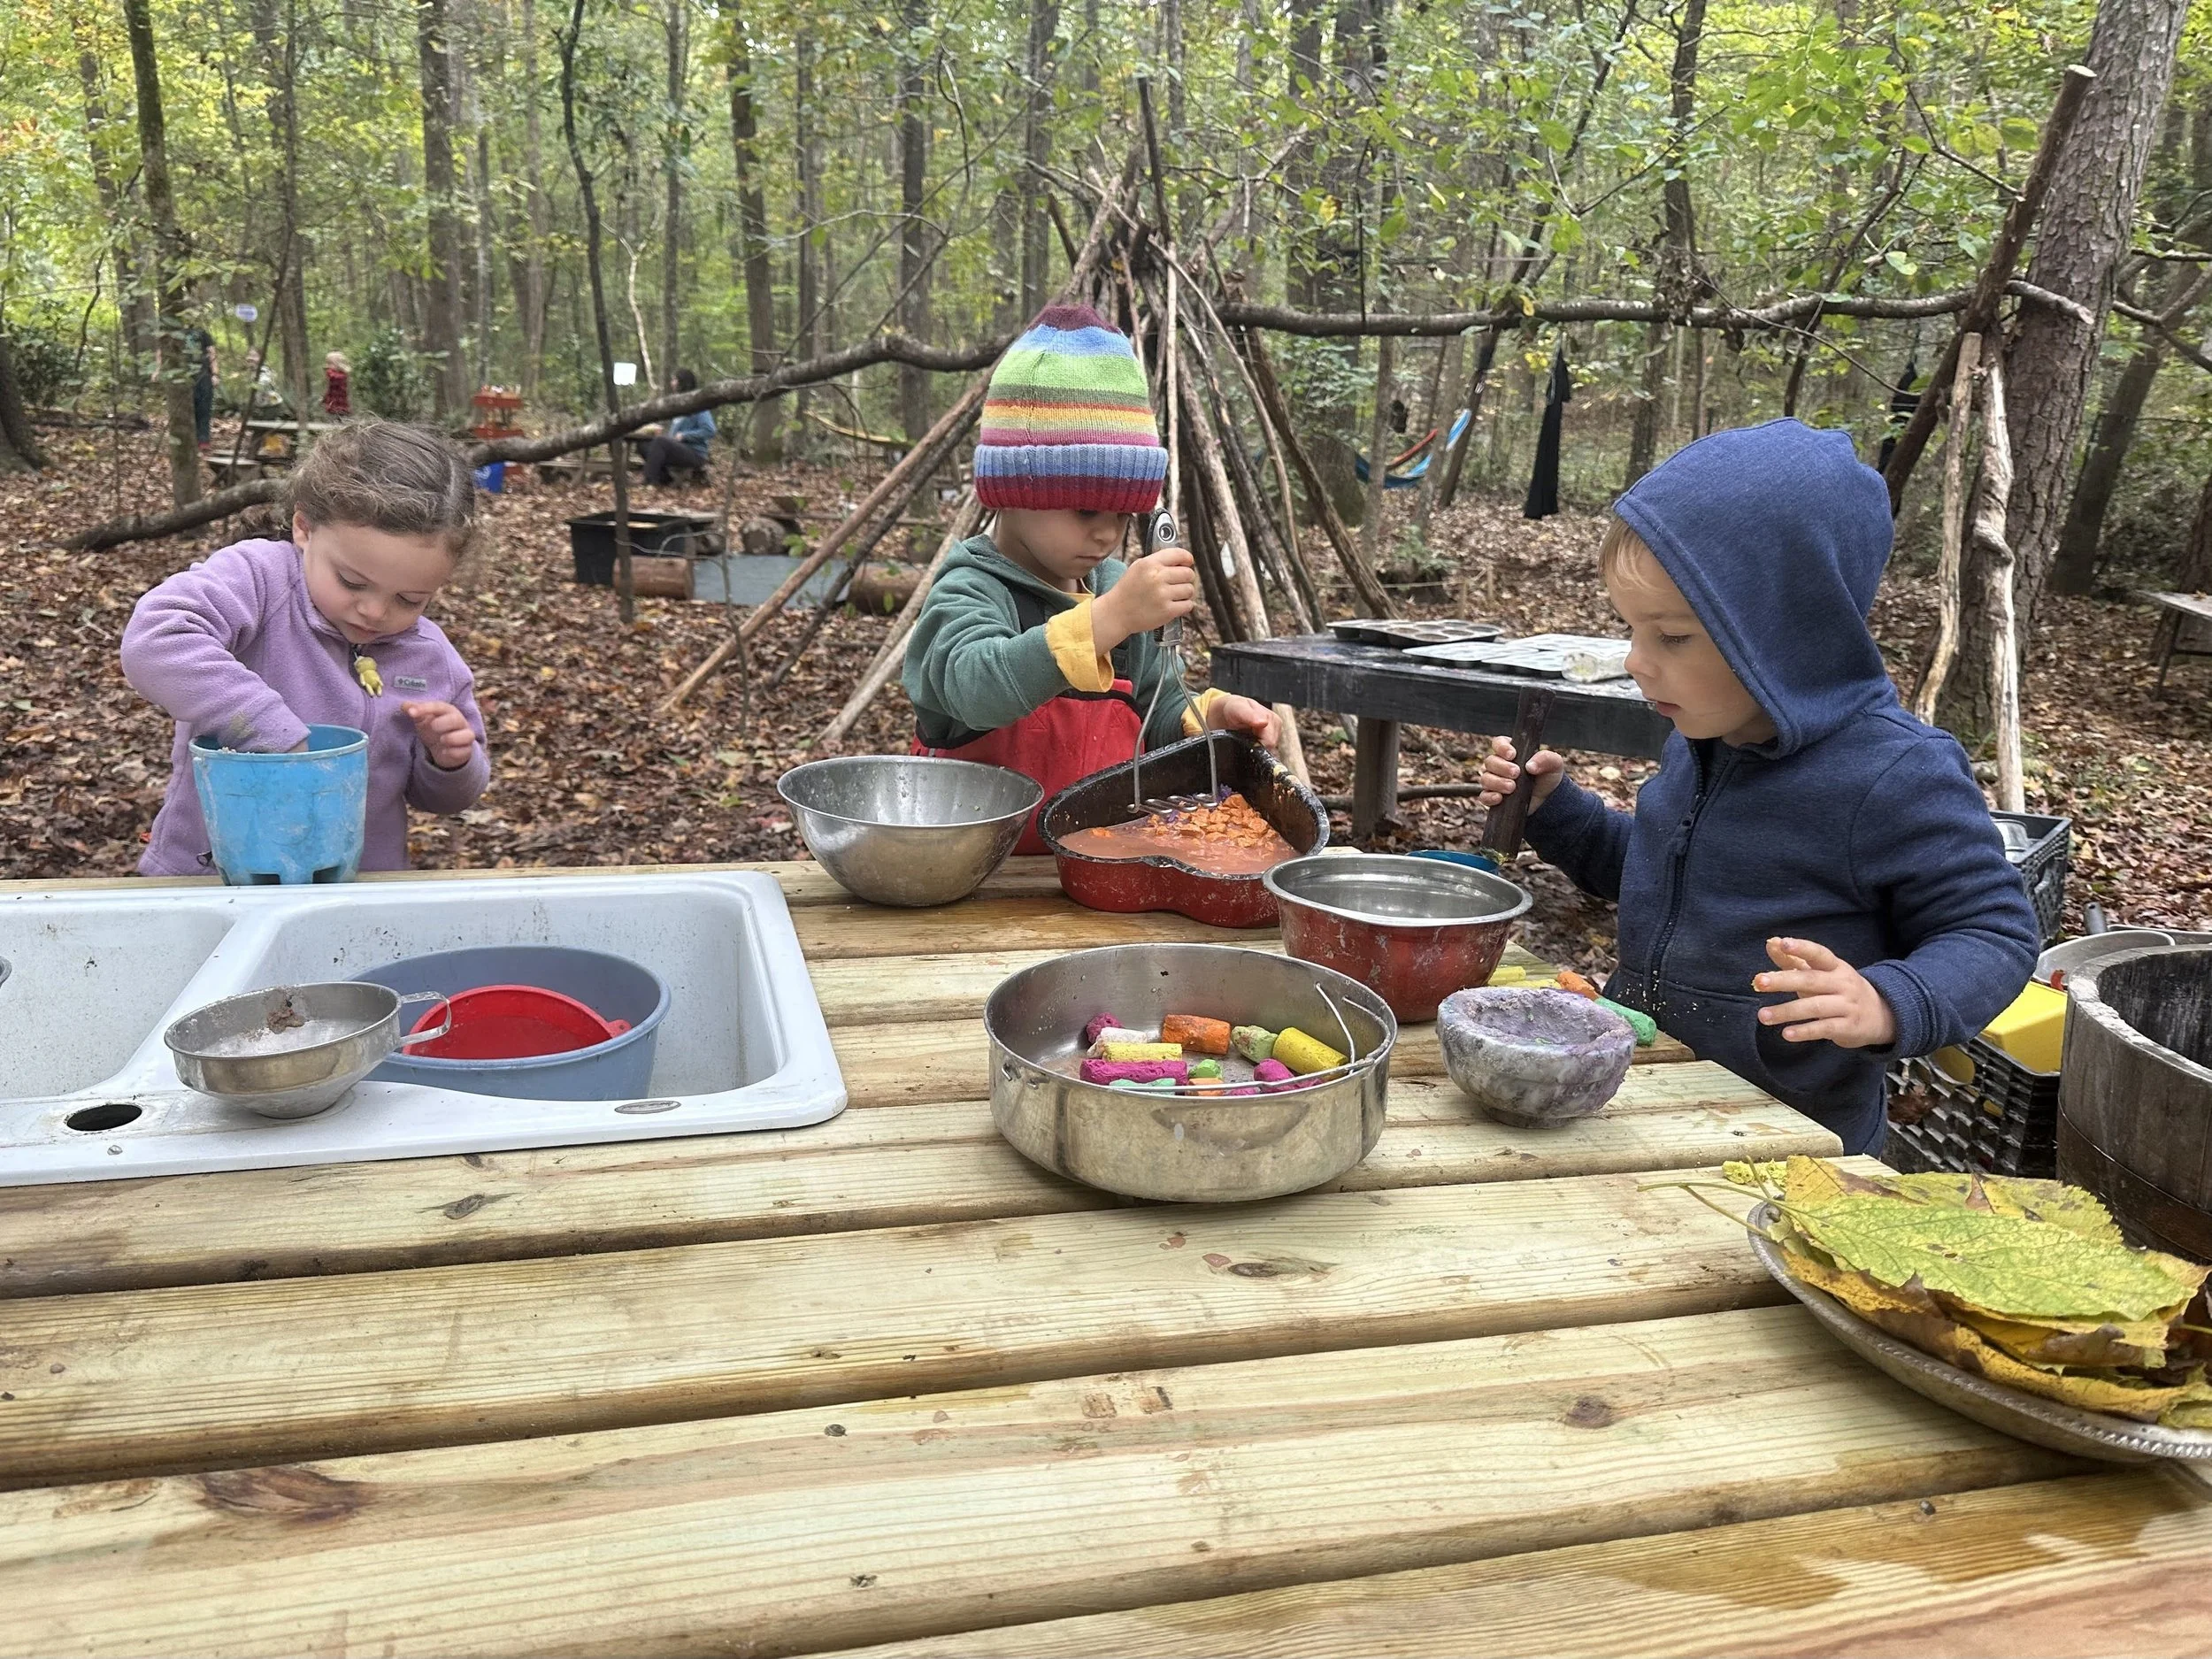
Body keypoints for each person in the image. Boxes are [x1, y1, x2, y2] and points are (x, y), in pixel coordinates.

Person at [1477, 419, 2039, 1155]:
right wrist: (1558, 811)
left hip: (1791, 1140)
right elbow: (1654, 870)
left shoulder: (1895, 773)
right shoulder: (1705, 737)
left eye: (1671, 637)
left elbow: (1995, 930)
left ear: (1785, 635)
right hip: (1647, 1088)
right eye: (1633, 630)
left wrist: (1886, 999)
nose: (1637, 661)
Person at [902, 303, 1279, 855]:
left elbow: (1156, 709)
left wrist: (1213, 717)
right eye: (1084, 512)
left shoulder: (1112, 585)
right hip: (970, 878)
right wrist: (1108, 619)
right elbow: (974, 688)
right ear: (1015, 493)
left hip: (1094, 871)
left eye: (1122, 516)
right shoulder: (970, 589)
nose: (1106, 537)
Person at [121, 419, 491, 878]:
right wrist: (268, 729)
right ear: (304, 528)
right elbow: (156, 637)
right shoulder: (260, 580)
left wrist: (451, 761)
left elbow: (446, 799)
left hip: (352, 891)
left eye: (409, 599)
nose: (375, 612)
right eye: (352, 582)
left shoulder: (431, 659)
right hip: (209, 878)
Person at [641, 368, 714, 485]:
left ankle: (650, 481)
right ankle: (664, 478)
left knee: (660, 442)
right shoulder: (679, 404)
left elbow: (710, 430)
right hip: (679, 449)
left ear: (683, 382)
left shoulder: (698, 405)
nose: (672, 383)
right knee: (643, 444)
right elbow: (674, 436)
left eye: (675, 380)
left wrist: (685, 435)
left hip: (695, 454)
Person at [184, 321, 217, 451]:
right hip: (184, 376)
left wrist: (215, 374)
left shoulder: (202, 333)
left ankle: (203, 440)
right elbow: (161, 351)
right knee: (186, 409)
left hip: (203, 375)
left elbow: (212, 353)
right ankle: (188, 440)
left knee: (204, 408)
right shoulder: (174, 332)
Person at [324, 350, 351, 419]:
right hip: (333, 404)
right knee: (334, 420)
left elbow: (335, 377)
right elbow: (329, 388)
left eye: (330, 363)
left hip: (341, 404)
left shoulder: (342, 376)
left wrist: (329, 371)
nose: (328, 366)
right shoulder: (332, 374)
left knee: (341, 419)